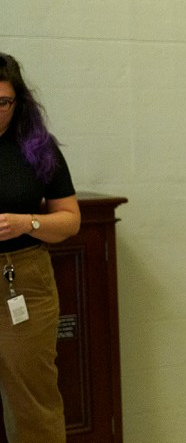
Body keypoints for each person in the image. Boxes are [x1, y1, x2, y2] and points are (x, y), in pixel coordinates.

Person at [0, 52, 81, 443]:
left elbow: (70, 219)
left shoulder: (37, 147)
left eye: (2, 102)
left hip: (22, 279)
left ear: (18, 101)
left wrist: (26, 222)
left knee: (34, 398)